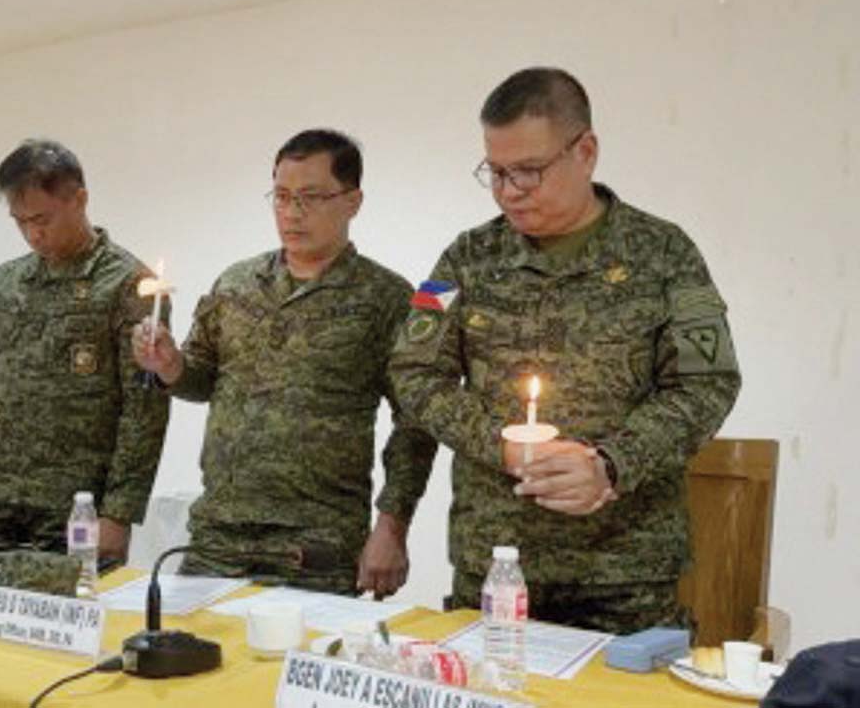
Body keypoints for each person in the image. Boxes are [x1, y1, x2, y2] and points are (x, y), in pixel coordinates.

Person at [389, 68, 741, 633]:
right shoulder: (463, 259)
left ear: (586, 151)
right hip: (493, 570)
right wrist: (500, 447)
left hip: (625, 578)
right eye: (496, 173)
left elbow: (707, 383)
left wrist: (611, 465)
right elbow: (412, 372)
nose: (509, 191)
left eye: (528, 171)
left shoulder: (666, 253)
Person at [132, 129, 436, 596]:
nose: (292, 213)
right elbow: (202, 377)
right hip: (218, 535)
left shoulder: (387, 298)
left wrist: (392, 527)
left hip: (316, 547)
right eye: (281, 197)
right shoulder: (236, 283)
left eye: (311, 198)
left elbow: (416, 421)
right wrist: (170, 365)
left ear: (352, 201)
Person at [0, 139, 170, 565]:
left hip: (78, 505)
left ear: (79, 200)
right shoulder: (4, 284)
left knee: (64, 622)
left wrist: (118, 514)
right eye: (21, 221)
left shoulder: (128, 285)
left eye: (43, 218)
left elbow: (144, 410)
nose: (33, 233)